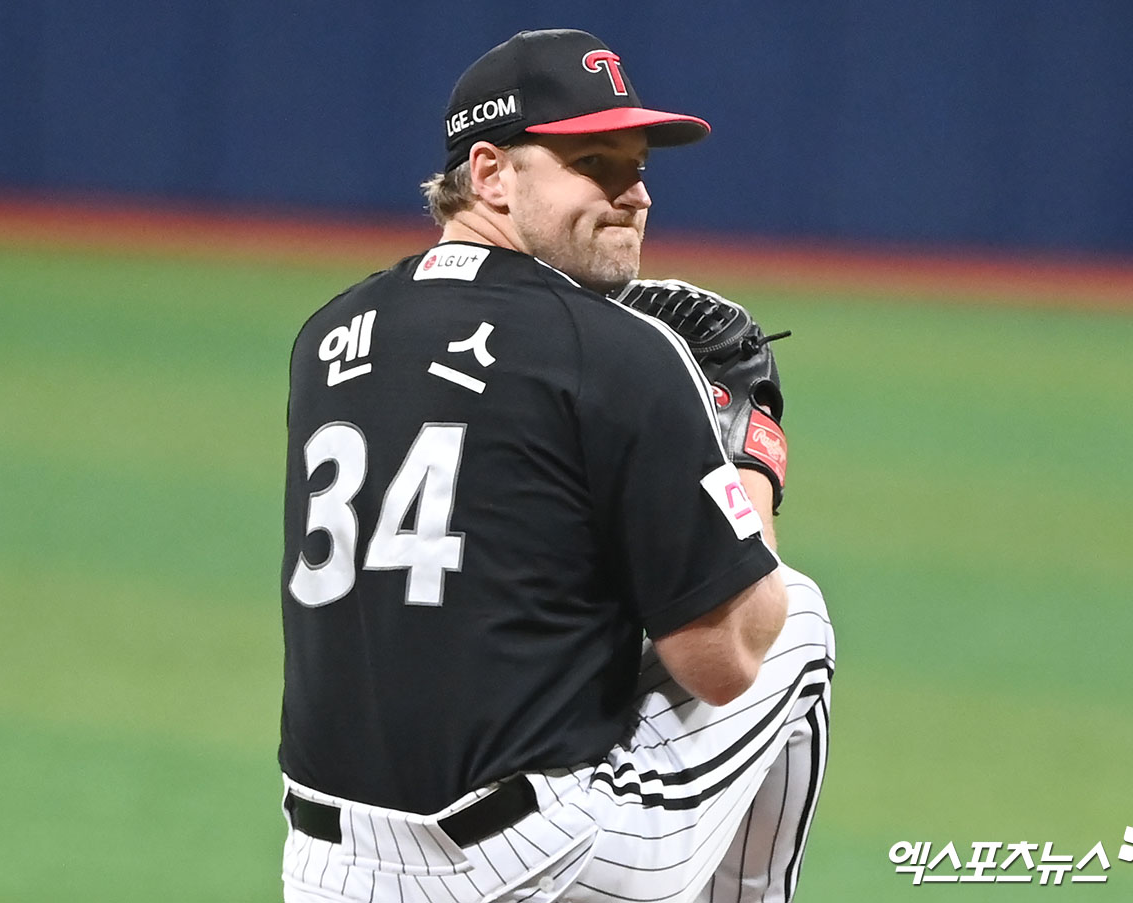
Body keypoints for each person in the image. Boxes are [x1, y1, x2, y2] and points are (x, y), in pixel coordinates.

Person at [278, 28, 835, 903]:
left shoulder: (327, 336)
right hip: (527, 861)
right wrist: (753, 450)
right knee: (795, 622)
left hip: (326, 868)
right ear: (492, 173)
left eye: (639, 164)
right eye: (596, 163)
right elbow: (723, 659)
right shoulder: (621, 352)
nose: (635, 194)